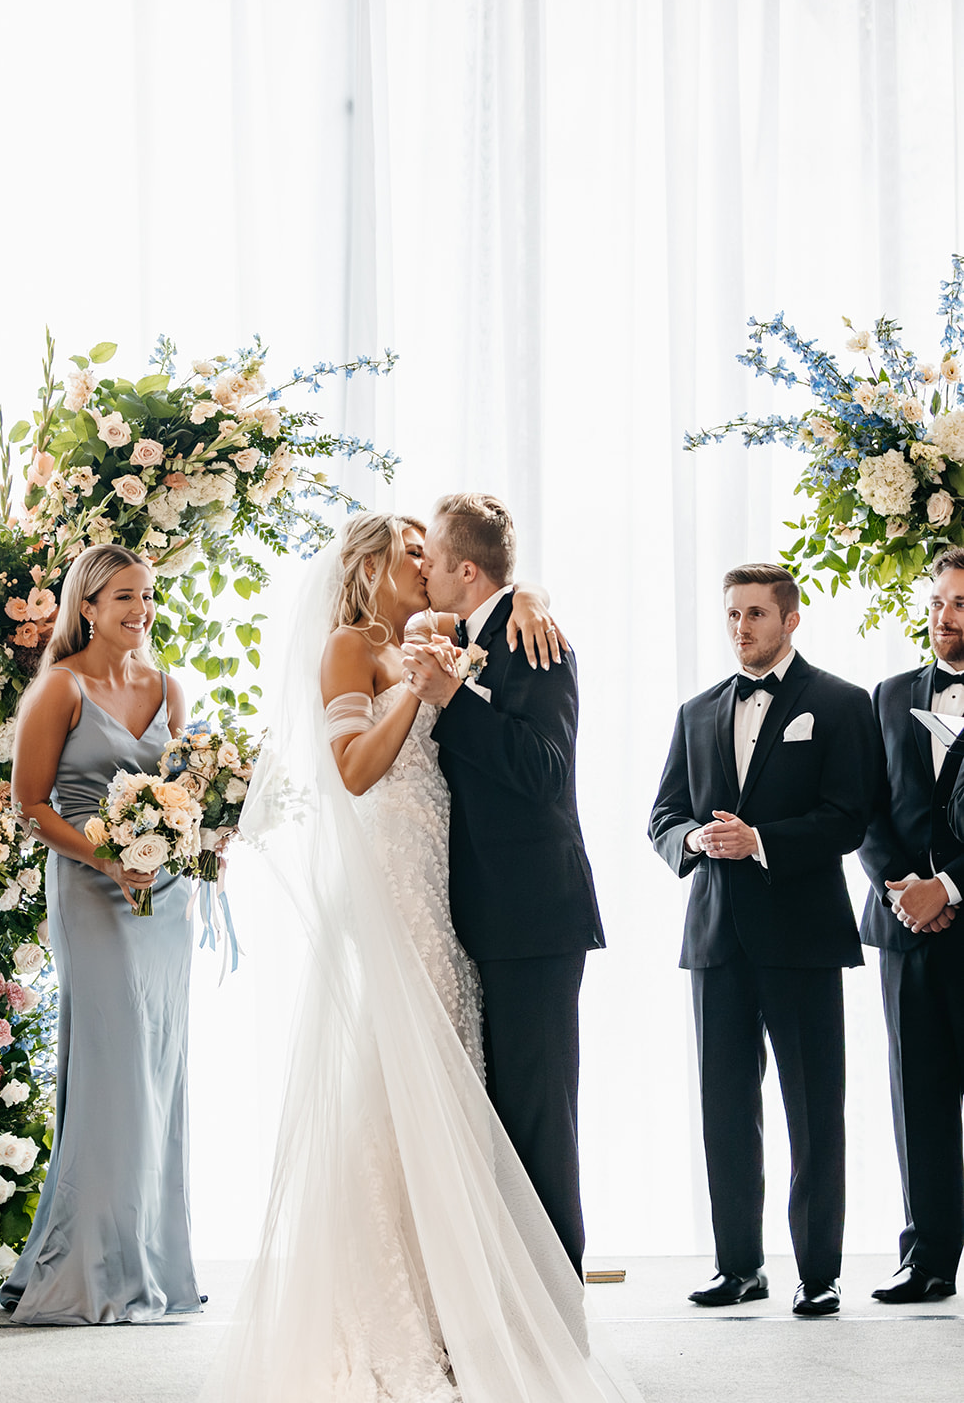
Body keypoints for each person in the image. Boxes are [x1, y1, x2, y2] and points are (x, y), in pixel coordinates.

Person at [218, 513, 640, 1403]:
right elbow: (355, 771)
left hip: (462, 900)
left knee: (462, 1093)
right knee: (395, 1085)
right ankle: (396, 1308)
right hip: (398, 889)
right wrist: (418, 690)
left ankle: (478, 1304)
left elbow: (502, 591)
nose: (422, 566)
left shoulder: (452, 634)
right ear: (368, 564)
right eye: (407, 553)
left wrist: (528, 592)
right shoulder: (350, 645)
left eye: (428, 553)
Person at [648, 562, 878, 1317]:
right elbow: (663, 816)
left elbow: (850, 816)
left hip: (803, 937)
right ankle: (737, 1266)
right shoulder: (695, 711)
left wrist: (762, 841)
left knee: (814, 1109)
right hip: (715, 937)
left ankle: (818, 1273)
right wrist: (693, 842)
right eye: (731, 615)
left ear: (789, 619)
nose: (740, 628)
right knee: (723, 1106)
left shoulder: (840, 704)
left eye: (754, 613)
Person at [403, 492, 605, 1280]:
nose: (418, 569)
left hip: (535, 916)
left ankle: (556, 1301)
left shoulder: (535, 642)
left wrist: (454, 700)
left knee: (538, 1117)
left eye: (428, 557)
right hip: (476, 914)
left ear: (463, 568)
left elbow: (544, 770)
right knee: (496, 1117)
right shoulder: (460, 636)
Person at [0, 544, 201, 1324]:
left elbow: (185, 789)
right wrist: (109, 856)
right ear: (87, 605)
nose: (140, 610)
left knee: (159, 1067)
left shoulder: (167, 687)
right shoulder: (61, 688)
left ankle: (151, 1255)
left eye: (147, 597)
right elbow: (31, 805)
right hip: (91, 890)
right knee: (115, 1071)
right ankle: (96, 1265)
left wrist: (194, 839)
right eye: (124, 596)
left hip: (166, 904)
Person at [860, 547, 964, 1303]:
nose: (943, 617)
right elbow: (865, 808)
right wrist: (903, 891)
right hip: (904, 929)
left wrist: (951, 888)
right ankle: (926, 1258)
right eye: (937, 602)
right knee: (916, 1095)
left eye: (958, 603)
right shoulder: (888, 695)